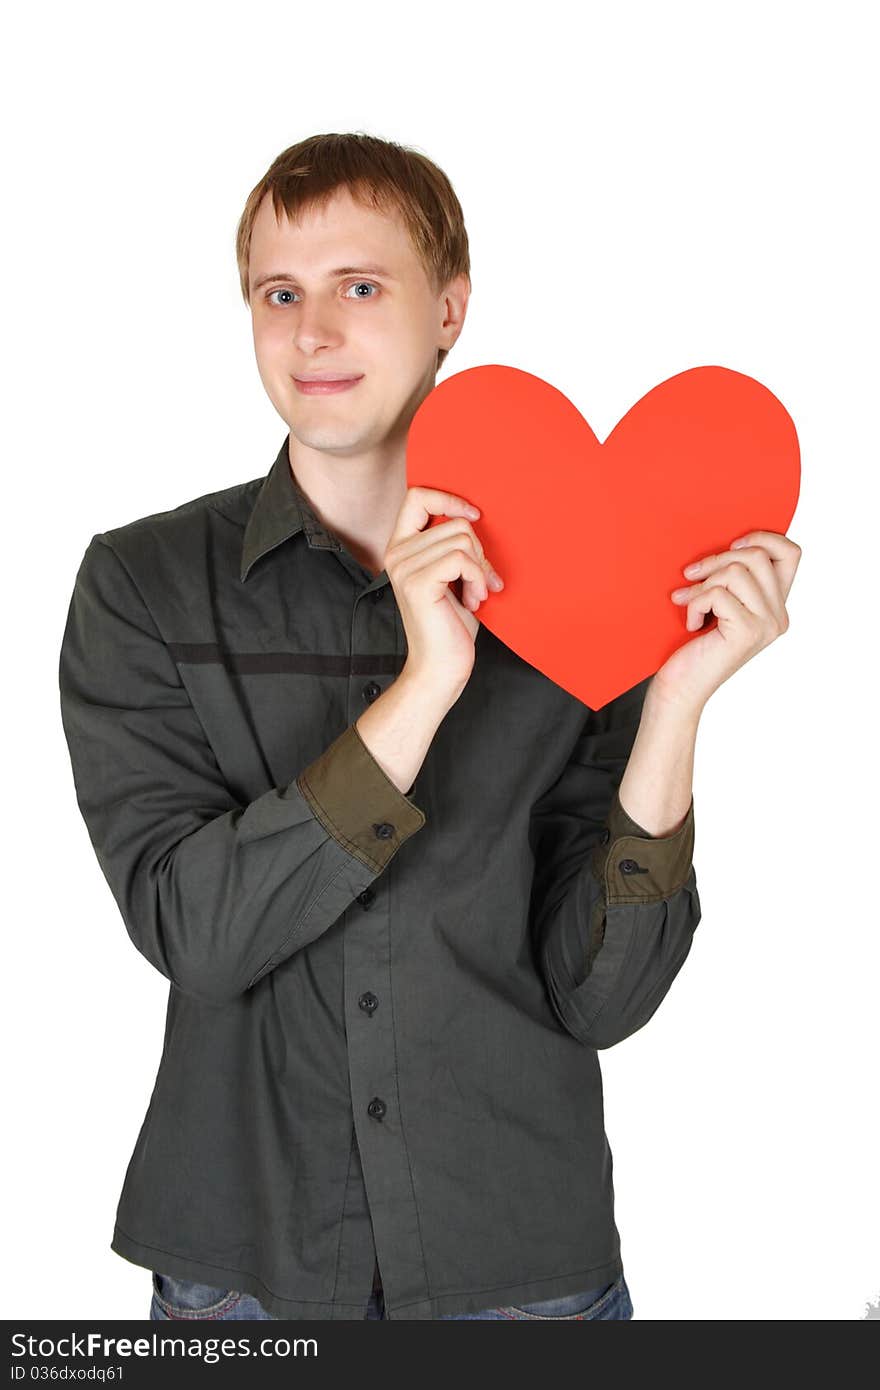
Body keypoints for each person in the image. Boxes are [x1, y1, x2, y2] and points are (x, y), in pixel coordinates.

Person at [58, 132, 799, 1322]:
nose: (313, 333)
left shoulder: (591, 591)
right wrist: (422, 690)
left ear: (450, 307)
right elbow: (194, 928)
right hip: (242, 1271)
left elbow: (599, 997)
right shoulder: (142, 585)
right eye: (278, 294)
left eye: (360, 286)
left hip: (520, 1270)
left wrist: (673, 701)